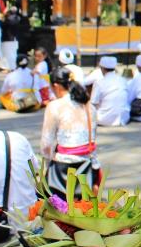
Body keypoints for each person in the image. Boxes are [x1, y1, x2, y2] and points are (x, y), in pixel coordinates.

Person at [41, 67, 100, 199]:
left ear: (56, 86)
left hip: (63, 169)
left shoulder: (55, 106)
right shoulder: (89, 106)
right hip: (88, 165)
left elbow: (46, 145)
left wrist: (45, 168)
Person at [90, 56, 129, 126]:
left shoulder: (99, 83)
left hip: (104, 119)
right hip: (123, 118)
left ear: (102, 69)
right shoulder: (123, 80)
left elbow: (93, 103)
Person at [0, 6, 24, 71]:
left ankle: (8, 67)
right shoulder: (18, 18)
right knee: (12, 54)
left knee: (7, 54)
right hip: (14, 39)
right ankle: (12, 66)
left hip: (8, 39)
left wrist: (3, 16)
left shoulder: (9, 19)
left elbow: (2, 25)